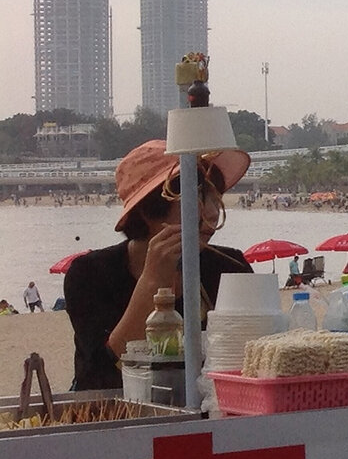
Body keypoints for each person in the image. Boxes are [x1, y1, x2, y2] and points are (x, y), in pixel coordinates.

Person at [63, 140, 253, 392]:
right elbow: (104, 367)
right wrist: (152, 280)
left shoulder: (230, 268)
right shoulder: (89, 274)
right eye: (195, 199)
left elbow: (253, 354)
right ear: (147, 210)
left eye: (215, 197)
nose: (212, 213)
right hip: (121, 414)